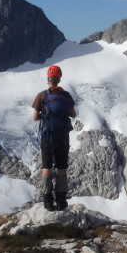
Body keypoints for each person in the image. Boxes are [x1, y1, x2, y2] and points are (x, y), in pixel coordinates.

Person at [31, 64, 77, 210]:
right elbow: (73, 114)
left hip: (47, 136)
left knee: (46, 167)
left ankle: (48, 201)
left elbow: (35, 117)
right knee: (62, 168)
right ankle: (61, 201)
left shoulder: (42, 95)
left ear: (48, 78)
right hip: (62, 137)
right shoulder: (66, 95)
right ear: (59, 79)